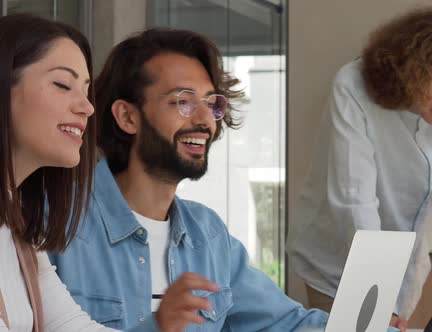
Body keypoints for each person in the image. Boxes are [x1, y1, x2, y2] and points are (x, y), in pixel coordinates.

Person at [0, 14, 206, 332]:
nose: (87, 107)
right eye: (62, 84)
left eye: (85, 90)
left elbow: (69, 324)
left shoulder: (14, 213)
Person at [48, 27, 332, 332]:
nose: (203, 119)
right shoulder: (56, 222)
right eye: (183, 101)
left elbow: (289, 324)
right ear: (128, 117)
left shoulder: (208, 236)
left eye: (211, 104)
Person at [287, 6, 432, 331]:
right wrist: (376, 304)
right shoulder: (353, 88)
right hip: (339, 263)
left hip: (405, 262)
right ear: (407, 76)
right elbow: (355, 201)